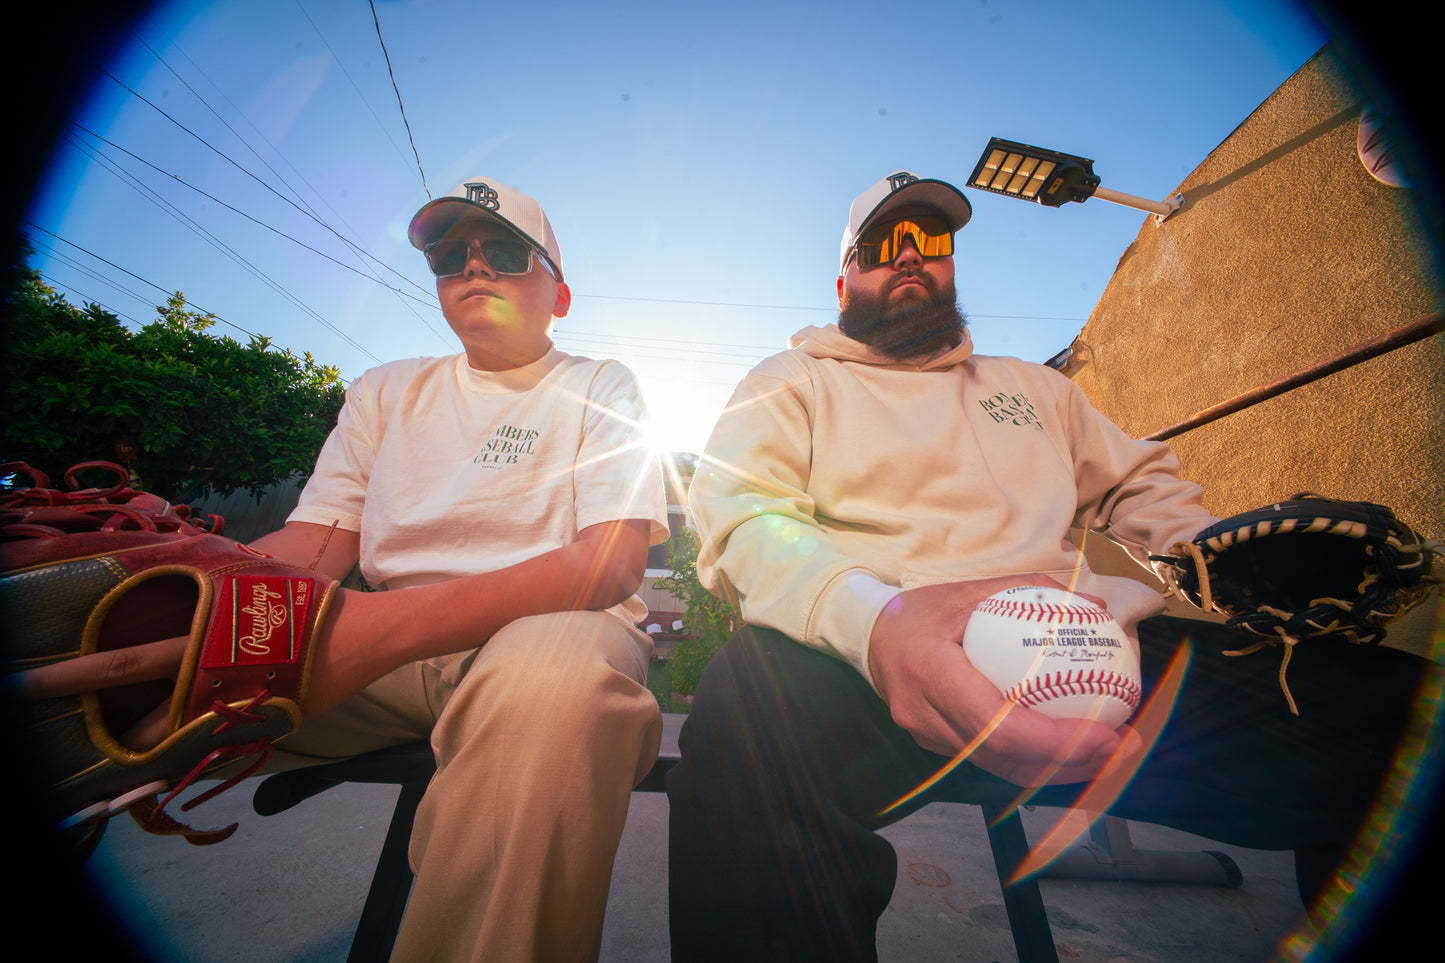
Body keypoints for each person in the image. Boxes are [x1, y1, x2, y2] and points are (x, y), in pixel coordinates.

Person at [665, 170, 1431, 960]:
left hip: (1088, 653)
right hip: (873, 665)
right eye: (879, 246)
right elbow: (744, 515)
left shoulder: (1033, 388)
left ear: (951, 263)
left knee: (1396, 714)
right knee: (743, 714)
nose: (908, 257)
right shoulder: (791, 382)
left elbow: (1139, 489)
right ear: (843, 279)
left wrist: (1208, 553)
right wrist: (872, 625)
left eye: (928, 240)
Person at [24, 176, 670, 962]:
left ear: (558, 294)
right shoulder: (384, 390)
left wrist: (369, 626)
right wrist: (176, 583)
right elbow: (315, 550)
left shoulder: (599, 386)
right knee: (110, 659)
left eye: (502, 252)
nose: (473, 267)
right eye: (448, 255)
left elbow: (609, 561)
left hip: (552, 630)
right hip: (378, 647)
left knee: (552, 690)